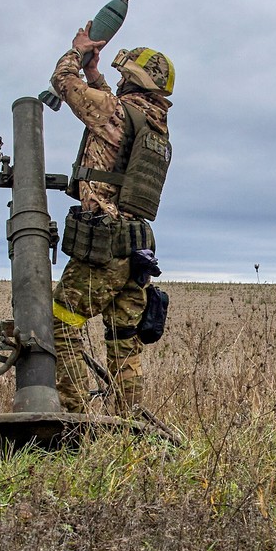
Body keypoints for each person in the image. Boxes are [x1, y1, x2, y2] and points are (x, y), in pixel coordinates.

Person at [49, 21, 175, 415]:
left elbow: (62, 83)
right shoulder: (152, 123)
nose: (117, 84)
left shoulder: (119, 113)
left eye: (123, 77)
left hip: (104, 248)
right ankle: (129, 428)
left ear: (135, 81)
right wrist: (96, 74)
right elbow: (112, 111)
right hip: (135, 249)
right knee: (123, 340)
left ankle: (72, 419)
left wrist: (75, 52)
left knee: (60, 325)